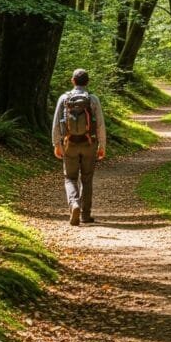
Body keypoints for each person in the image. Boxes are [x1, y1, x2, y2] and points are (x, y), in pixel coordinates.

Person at [51, 68, 107, 226]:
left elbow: (56, 123)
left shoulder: (64, 98)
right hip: (89, 143)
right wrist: (102, 145)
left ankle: (74, 204)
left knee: (70, 178)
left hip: (69, 143)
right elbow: (100, 125)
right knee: (87, 179)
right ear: (87, 82)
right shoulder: (93, 99)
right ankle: (85, 215)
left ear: (72, 81)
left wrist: (57, 144)